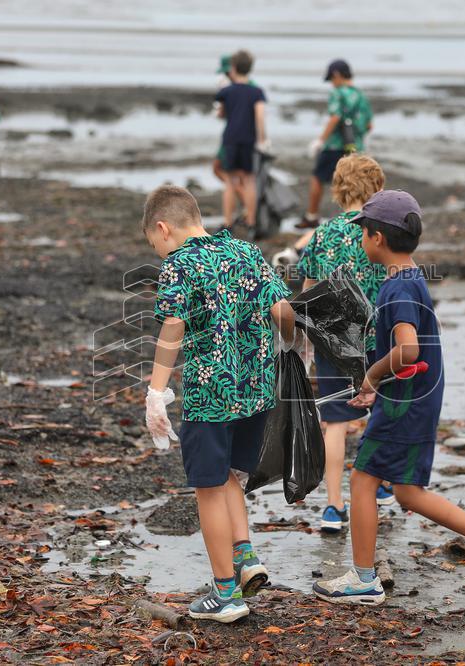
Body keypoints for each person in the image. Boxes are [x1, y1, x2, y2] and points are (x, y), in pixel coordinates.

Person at [312, 189, 465, 605]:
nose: (361, 241)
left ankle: (364, 579)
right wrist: (380, 387)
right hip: (415, 398)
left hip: (407, 405)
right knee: (406, 491)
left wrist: (371, 376)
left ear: (377, 239)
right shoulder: (411, 277)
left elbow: (408, 349)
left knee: (363, 480)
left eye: (363, 234)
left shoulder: (398, 290)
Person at [142, 185, 295, 623]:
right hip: (257, 391)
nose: (158, 251)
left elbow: (173, 326)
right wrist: (288, 343)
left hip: (212, 396)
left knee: (207, 487)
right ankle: (245, 556)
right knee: (228, 473)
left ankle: (225, 593)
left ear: (163, 227)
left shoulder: (180, 265)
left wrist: (156, 392)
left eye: (155, 243)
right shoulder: (244, 251)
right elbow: (282, 309)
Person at [296, 154, 394, 532]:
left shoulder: (322, 234)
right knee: (379, 413)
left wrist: (305, 339)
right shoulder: (377, 229)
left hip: (333, 342)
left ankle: (333, 507)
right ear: (376, 188)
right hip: (376, 340)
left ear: (338, 189)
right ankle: (381, 484)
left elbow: (306, 291)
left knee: (335, 423)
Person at [298, 59, 373, 230]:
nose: (332, 83)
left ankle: (312, 215)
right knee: (352, 181)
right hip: (355, 146)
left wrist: (320, 140)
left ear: (337, 75)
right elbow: (369, 125)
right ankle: (355, 217)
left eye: (332, 79)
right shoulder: (361, 95)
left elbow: (335, 117)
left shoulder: (338, 93)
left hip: (335, 146)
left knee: (318, 178)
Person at [214, 50, 269, 236]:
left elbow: (221, 114)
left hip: (230, 138)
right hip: (249, 139)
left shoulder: (226, 91)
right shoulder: (257, 91)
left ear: (233, 67)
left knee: (230, 181)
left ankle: (228, 223)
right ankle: (251, 223)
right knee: (249, 180)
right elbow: (260, 116)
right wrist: (262, 139)